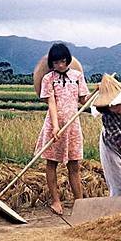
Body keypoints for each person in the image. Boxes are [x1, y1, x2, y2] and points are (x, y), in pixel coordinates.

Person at [34, 43, 90, 215]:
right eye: (56, 62)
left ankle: (79, 203)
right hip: (54, 125)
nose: (60, 66)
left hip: (73, 127)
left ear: (68, 60)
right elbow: (51, 102)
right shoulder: (48, 79)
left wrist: (95, 95)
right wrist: (56, 126)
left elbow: (83, 99)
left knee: (74, 165)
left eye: (63, 62)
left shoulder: (77, 76)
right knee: (51, 164)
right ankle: (56, 201)